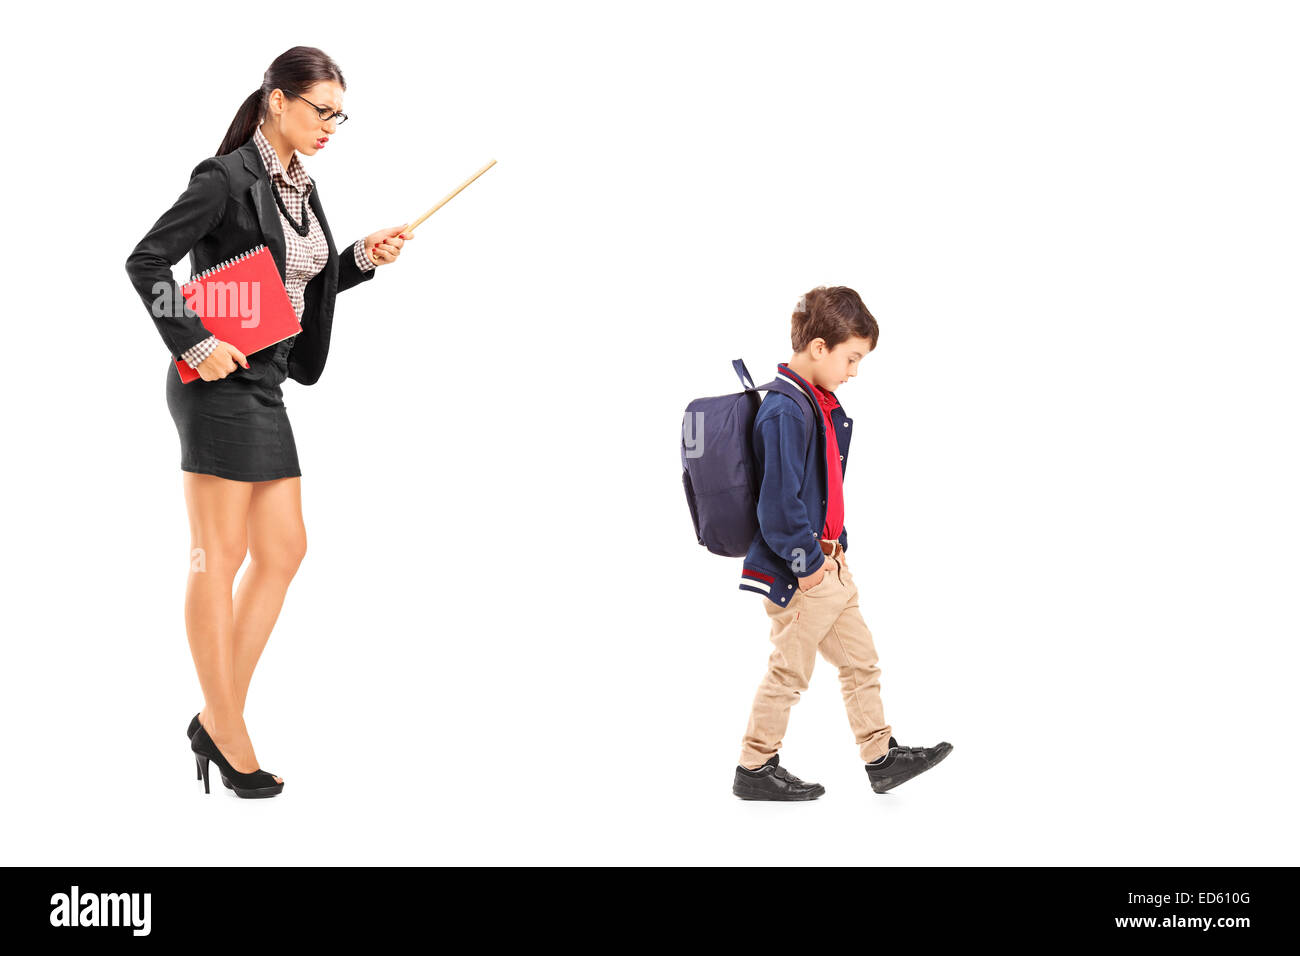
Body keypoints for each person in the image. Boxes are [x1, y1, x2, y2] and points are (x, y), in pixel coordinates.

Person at [124, 46, 411, 798]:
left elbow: (298, 281)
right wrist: (194, 338)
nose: (331, 126)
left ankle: (216, 719)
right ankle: (228, 729)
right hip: (215, 383)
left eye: (339, 115)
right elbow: (146, 265)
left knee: (284, 549)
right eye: (323, 110)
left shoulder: (301, 187)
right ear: (277, 101)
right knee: (216, 554)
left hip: (267, 382)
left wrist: (360, 258)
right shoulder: (225, 179)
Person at [732, 286, 953, 800]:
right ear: (818, 348)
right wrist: (810, 567)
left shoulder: (817, 402)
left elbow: (824, 485)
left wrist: (837, 550)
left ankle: (881, 757)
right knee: (789, 671)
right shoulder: (786, 410)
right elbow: (777, 506)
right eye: (851, 358)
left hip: (830, 564)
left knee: (860, 661)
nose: (854, 371)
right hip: (803, 572)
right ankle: (754, 767)